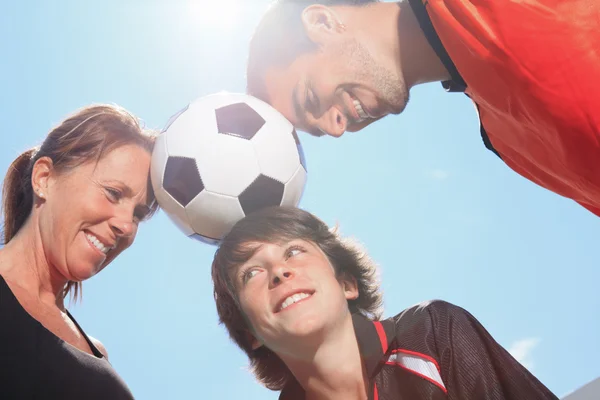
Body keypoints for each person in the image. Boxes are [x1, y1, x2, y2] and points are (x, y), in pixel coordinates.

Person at [245, 0, 600, 217]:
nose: (337, 128)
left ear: (322, 22)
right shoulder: (510, 145)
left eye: (309, 99)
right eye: (320, 130)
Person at [211, 206, 558, 399]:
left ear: (347, 284)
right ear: (251, 333)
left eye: (295, 251)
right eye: (251, 272)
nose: (279, 271)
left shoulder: (432, 335)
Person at [0, 104, 158, 399]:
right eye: (113, 193)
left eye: (138, 214)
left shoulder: (97, 353)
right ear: (44, 178)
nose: (126, 225)